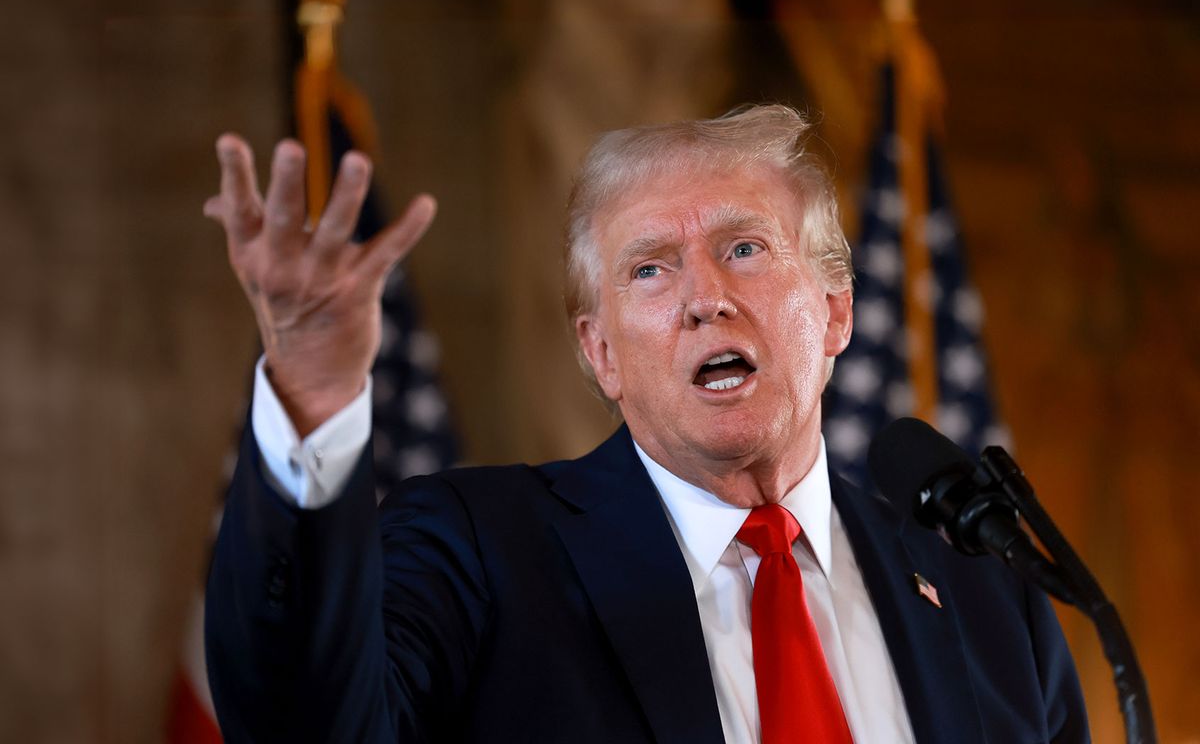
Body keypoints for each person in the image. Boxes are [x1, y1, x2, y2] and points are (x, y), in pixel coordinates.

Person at [203, 105, 1089, 743]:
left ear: (834, 312)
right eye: (650, 271)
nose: (707, 297)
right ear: (601, 355)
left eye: (744, 248)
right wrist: (310, 402)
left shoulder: (986, 592)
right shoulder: (479, 554)